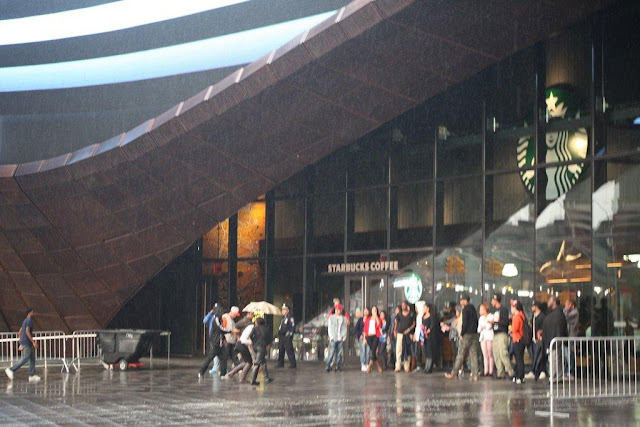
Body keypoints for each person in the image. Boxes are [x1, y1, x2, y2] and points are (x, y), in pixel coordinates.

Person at [445, 294, 480, 381]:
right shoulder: (473, 309)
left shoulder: (465, 310)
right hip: (474, 334)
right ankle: (475, 374)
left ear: (465, 300)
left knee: (460, 354)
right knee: (473, 354)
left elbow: (465, 323)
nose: (460, 302)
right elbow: (476, 321)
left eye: (461, 300)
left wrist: (462, 333)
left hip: (466, 334)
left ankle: (454, 373)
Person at [5, 307, 40, 383]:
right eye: (33, 312)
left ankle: (32, 375)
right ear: (30, 312)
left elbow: (20, 331)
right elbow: (27, 331)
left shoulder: (25, 321)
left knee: (32, 358)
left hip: (26, 342)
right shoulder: (29, 321)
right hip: (28, 343)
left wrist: (20, 340)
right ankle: (11, 369)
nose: (34, 313)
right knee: (25, 358)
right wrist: (33, 342)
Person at [199, 305, 231, 378]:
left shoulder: (219, 319)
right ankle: (201, 372)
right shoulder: (216, 319)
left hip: (219, 342)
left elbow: (220, 331)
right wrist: (230, 331)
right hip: (215, 343)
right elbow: (220, 329)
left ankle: (223, 373)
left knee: (223, 358)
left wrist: (223, 338)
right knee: (210, 358)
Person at [542, 295, 568, 382]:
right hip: (555, 338)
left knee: (554, 358)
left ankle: (553, 376)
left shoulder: (555, 314)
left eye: (549, 300)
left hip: (554, 338)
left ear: (554, 302)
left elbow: (559, 327)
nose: (548, 302)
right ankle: (558, 376)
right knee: (557, 357)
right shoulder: (558, 313)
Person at [489, 293, 514, 379]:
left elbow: (505, 322)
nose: (491, 302)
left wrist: (495, 322)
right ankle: (500, 372)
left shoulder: (503, 310)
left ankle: (510, 371)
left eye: (493, 300)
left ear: (496, 300)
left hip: (502, 333)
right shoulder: (494, 311)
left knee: (503, 353)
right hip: (495, 333)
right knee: (496, 353)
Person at [224, 311, 255, 383]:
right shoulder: (248, 324)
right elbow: (245, 338)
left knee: (246, 362)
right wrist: (250, 342)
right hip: (242, 343)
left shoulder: (250, 325)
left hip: (240, 343)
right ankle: (242, 378)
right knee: (249, 362)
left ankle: (231, 374)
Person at [249, 315, 274, 385]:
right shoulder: (267, 329)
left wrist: (253, 341)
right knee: (257, 363)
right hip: (262, 346)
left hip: (255, 346)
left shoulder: (255, 328)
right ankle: (253, 380)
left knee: (263, 362)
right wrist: (267, 344)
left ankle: (266, 377)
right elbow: (269, 338)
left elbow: (250, 335)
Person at [526, 302, 546, 380]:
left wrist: (541, 333)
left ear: (536, 307)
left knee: (540, 356)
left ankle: (542, 371)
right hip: (533, 339)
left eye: (533, 306)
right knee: (534, 356)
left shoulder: (542, 316)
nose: (531, 308)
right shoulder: (533, 316)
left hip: (539, 339)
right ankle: (534, 371)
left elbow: (544, 327)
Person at [394, 301, 415, 373]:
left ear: (407, 306)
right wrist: (395, 331)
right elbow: (396, 323)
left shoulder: (411, 314)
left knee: (407, 350)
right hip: (400, 333)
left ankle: (407, 366)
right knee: (398, 350)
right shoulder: (399, 314)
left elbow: (414, 324)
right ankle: (398, 366)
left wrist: (409, 329)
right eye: (402, 305)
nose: (403, 306)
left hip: (408, 334)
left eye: (404, 305)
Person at [326, 304, 347, 372]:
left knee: (339, 353)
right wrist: (331, 336)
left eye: (338, 310)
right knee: (331, 352)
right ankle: (328, 365)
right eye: (336, 310)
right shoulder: (331, 317)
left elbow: (345, 328)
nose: (337, 311)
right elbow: (329, 327)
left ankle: (337, 366)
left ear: (341, 310)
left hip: (340, 338)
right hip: (333, 337)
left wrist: (344, 336)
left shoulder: (344, 318)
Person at [221, 306, 242, 372]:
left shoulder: (232, 320)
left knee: (234, 355)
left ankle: (239, 368)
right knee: (225, 356)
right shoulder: (225, 317)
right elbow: (222, 328)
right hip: (227, 340)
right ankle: (223, 371)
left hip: (232, 340)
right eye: (235, 315)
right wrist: (232, 331)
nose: (235, 316)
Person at [364, 305, 383, 373]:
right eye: (373, 310)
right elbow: (365, 329)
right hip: (369, 336)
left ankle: (369, 366)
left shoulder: (379, 318)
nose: (374, 311)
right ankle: (378, 366)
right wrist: (364, 338)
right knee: (373, 351)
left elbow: (379, 325)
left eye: (375, 310)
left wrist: (376, 317)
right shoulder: (368, 319)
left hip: (375, 336)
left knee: (373, 350)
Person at [277, 303, 297, 369]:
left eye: (284, 309)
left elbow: (292, 327)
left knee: (289, 350)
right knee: (281, 349)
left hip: (286, 336)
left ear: (288, 310)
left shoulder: (290, 318)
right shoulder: (283, 318)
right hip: (282, 336)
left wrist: (289, 335)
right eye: (282, 309)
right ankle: (280, 363)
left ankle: (293, 364)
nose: (282, 311)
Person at [511, 301, 526, 384]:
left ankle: (520, 376)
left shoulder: (516, 317)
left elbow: (514, 329)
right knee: (520, 358)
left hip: (517, 339)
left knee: (518, 359)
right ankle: (519, 376)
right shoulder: (522, 316)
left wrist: (510, 329)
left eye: (512, 307)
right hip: (521, 340)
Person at [477, 303, 494, 377]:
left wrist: (484, 325)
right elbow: (479, 329)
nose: (480, 311)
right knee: (485, 355)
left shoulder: (491, 316)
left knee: (490, 354)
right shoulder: (481, 318)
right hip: (483, 337)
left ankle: (491, 370)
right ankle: (485, 370)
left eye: (481, 309)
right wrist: (484, 325)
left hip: (489, 337)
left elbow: (488, 327)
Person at [563, 299, 578, 378]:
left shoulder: (575, 312)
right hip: (567, 335)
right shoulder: (570, 312)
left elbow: (565, 317)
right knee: (566, 354)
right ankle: (566, 371)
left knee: (570, 353)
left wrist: (566, 309)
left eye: (567, 304)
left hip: (572, 335)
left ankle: (571, 371)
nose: (565, 306)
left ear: (571, 305)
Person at [412, 301, 426, 373]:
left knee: (423, 351)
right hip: (418, 336)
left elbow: (421, 327)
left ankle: (425, 366)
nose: (415, 309)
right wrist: (415, 334)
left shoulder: (422, 316)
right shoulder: (418, 316)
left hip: (421, 337)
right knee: (417, 352)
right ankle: (418, 366)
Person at [355, 308, 370, 372]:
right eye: (364, 311)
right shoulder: (360, 319)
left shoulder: (370, 319)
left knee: (368, 351)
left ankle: (367, 363)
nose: (366, 312)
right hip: (362, 337)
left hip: (368, 337)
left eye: (367, 311)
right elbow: (356, 329)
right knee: (363, 350)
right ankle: (363, 364)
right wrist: (360, 334)